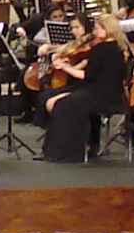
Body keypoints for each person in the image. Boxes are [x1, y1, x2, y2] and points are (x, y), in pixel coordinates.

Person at [41, 13, 129, 162]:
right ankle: (61, 150)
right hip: (110, 94)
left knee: (64, 104)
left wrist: (65, 67)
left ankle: (67, 152)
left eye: (97, 28)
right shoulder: (118, 48)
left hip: (101, 95)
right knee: (59, 101)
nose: (94, 32)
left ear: (106, 30)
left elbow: (87, 76)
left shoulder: (101, 49)